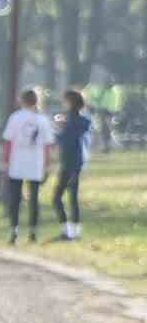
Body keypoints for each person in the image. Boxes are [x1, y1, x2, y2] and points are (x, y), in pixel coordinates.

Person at [1, 86, 55, 245]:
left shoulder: (15, 118)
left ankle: (14, 230)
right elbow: (47, 146)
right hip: (35, 162)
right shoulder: (42, 120)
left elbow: (9, 143)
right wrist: (47, 164)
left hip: (17, 161)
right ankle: (33, 231)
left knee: (15, 198)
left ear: (22, 100)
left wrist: (6, 161)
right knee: (34, 198)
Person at [53, 88, 92, 241]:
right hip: (73, 162)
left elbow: (64, 139)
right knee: (71, 197)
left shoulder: (77, 121)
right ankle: (73, 230)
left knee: (59, 197)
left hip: (72, 163)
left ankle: (69, 230)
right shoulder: (79, 120)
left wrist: (58, 128)